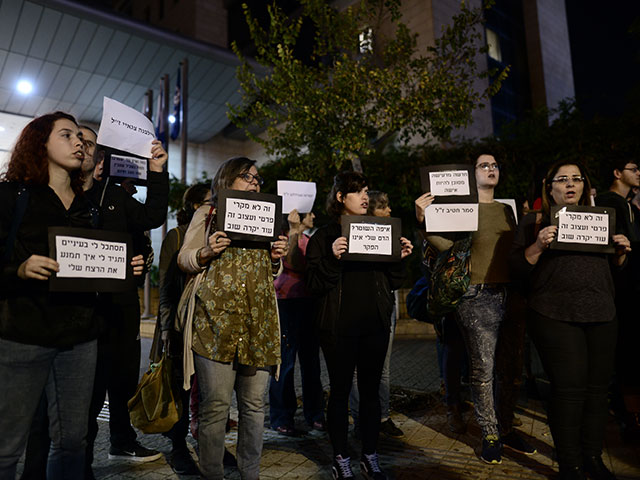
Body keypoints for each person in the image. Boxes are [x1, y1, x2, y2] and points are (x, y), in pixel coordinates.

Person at [0, 112, 134, 478]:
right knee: (7, 447)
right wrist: (20, 270)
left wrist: (121, 270)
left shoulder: (87, 207)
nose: (78, 142)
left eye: (80, 136)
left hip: (80, 340)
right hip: (22, 337)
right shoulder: (12, 197)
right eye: (66, 135)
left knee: (73, 441)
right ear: (39, 142)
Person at [510, 161, 630, 480]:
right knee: (569, 390)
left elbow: (616, 271)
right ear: (549, 188)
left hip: (602, 313)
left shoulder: (601, 219)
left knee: (597, 391)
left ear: (584, 186)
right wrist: (537, 246)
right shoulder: (533, 221)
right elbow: (516, 270)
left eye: (576, 178)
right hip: (554, 315)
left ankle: (592, 457)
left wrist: (620, 253)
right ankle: (570, 465)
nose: (570, 183)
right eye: (562, 179)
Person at [178, 157, 288, 480]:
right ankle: (213, 474)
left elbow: (271, 273)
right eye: (247, 175)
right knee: (215, 409)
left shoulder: (268, 218)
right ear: (227, 178)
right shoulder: (207, 214)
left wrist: (275, 258)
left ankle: (249, 474)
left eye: (258, 178)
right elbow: (184, 259)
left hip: (259, 326)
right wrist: (205, 252)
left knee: (254, 409)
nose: (255, 181)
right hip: (215, 325)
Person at [415, 154, 524, 464]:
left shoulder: (507, 210)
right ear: (469, 175)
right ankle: (490, 433)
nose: (491, 168)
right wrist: (422, 221)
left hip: (511, 295)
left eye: (495, 165)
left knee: (512, 370)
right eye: (483, 165)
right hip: (476, 295)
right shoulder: (463, 210)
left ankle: (505, 426)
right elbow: (446, 248)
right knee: (483, 370)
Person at [306, 171, 413, 480]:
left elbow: (393, 282)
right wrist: (331, 258)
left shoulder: (379, 230)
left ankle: (370, 455)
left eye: (366, 191)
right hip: (338, 328)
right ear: (341, 198)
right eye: (358, 192)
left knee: (370, 395)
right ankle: (341, 458)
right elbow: (313, 284)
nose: (365, 197)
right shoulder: (324, 237)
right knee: (339, 393)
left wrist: (400, 258)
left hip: (375, 325)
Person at [79, 126, 169, 473]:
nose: (83, 148)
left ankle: (121, 440)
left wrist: (158, 171)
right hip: (82, 313)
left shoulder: (113, 194)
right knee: (87, 388)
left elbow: (151, 218)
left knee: (123, 377)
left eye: (89, 144)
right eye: (79, 140)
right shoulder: (60, 198)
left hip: (122, 308)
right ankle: (79, 461)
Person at [149, 182, 211, 474]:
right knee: (180, 389)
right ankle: (177, 446)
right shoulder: (176, 236)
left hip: (209, 325)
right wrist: (165, 329)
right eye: (210, 201)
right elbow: (165, 285)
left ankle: (209, 445)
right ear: (195, 206)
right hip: (179, 324)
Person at [349, 191, 404, 438]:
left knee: (383, 366)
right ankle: (359, 418)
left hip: (384, 302)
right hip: (359, 304)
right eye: (385, 207)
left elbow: (395, 279)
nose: (390, 211)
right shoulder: (351, 233)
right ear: (373, 210)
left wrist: (399, 257)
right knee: (356, 368)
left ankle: (382, 416)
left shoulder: (391, 236)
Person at [269, 208, 326, 436]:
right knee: (285, 363)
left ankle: (315, 414)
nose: (314, 216)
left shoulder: (309, 239)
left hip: (308, 303)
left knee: (311, 363)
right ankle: (282, 416)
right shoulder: (284, 238)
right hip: (286, 304)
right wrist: (293, 232)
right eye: (310, 213)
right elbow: (293, 264)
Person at [595, 156, 640, 442]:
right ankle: (626, 413)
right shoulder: (610, 202)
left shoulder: (626, 203)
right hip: (622, 287)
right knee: (626, 352)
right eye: (633, 169)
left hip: (628, 285)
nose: (639, 173)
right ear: (616, 173)